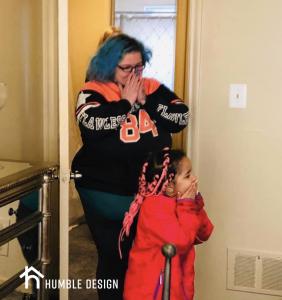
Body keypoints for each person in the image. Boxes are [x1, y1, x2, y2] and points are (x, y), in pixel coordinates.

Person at [71, 34, 189, 299]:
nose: (135, 74)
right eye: (127, 68)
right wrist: (125, 103)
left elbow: (181, 118)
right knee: (115, 258)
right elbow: (92, 126)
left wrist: (147, 102)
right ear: (108, 64)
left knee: (146, 257)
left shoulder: (152, 87)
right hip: (105, 191)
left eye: (139, 66)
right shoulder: (93, 91)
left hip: (148, 191)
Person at [121, 149, 214, 300]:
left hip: (177, 288)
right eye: (188, 175)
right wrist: (188, 205)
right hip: (152, 293)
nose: (194, 179)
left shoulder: (183, 205)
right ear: (170, 186)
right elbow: (181, 242)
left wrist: (195, 204)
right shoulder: (154, 207)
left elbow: (204, 233)